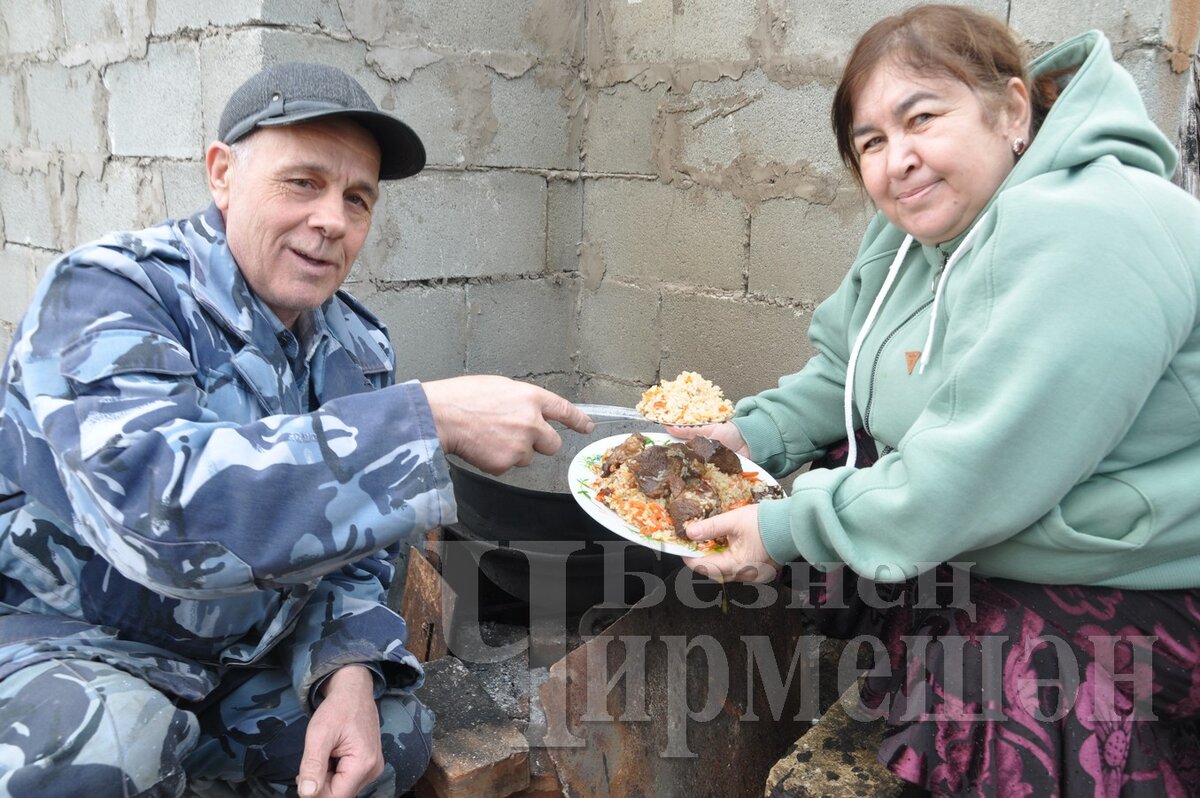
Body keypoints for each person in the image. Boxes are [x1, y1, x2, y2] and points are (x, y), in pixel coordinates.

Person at [0, 62, 593, 797]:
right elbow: (163, 519)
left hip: (243, 654)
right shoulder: (108, 295)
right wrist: (422, 419)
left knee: (389, 741)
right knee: (104, 754)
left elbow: (356, 558)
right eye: (302, 182)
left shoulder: (356, 347)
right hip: (74, 643)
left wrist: (346, 672)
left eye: (357, 199)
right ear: (222, 174)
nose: (333, 222)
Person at [673, 5, 1200, 795]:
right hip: (1034, 520)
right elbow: (845, 375)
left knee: (998, 663)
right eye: (871, 142)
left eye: (922, 118)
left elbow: (977, 471)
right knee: (835, 472)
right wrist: (750, 436)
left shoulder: (1096, 225)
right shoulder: (917, 238)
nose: (898, 161)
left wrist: (783, 528)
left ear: (1012, 111)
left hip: (1150, 570)